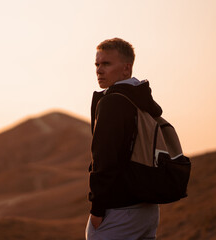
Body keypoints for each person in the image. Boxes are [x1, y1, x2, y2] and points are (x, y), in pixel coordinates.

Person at [86, 38, 161, 240]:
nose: (99, 70)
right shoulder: (142, 100)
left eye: (106, 64)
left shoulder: (113, 102)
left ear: (126, 69)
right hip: (148, 210)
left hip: (119, 211)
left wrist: (97, 210)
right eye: (97, 64)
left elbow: (104, 160)